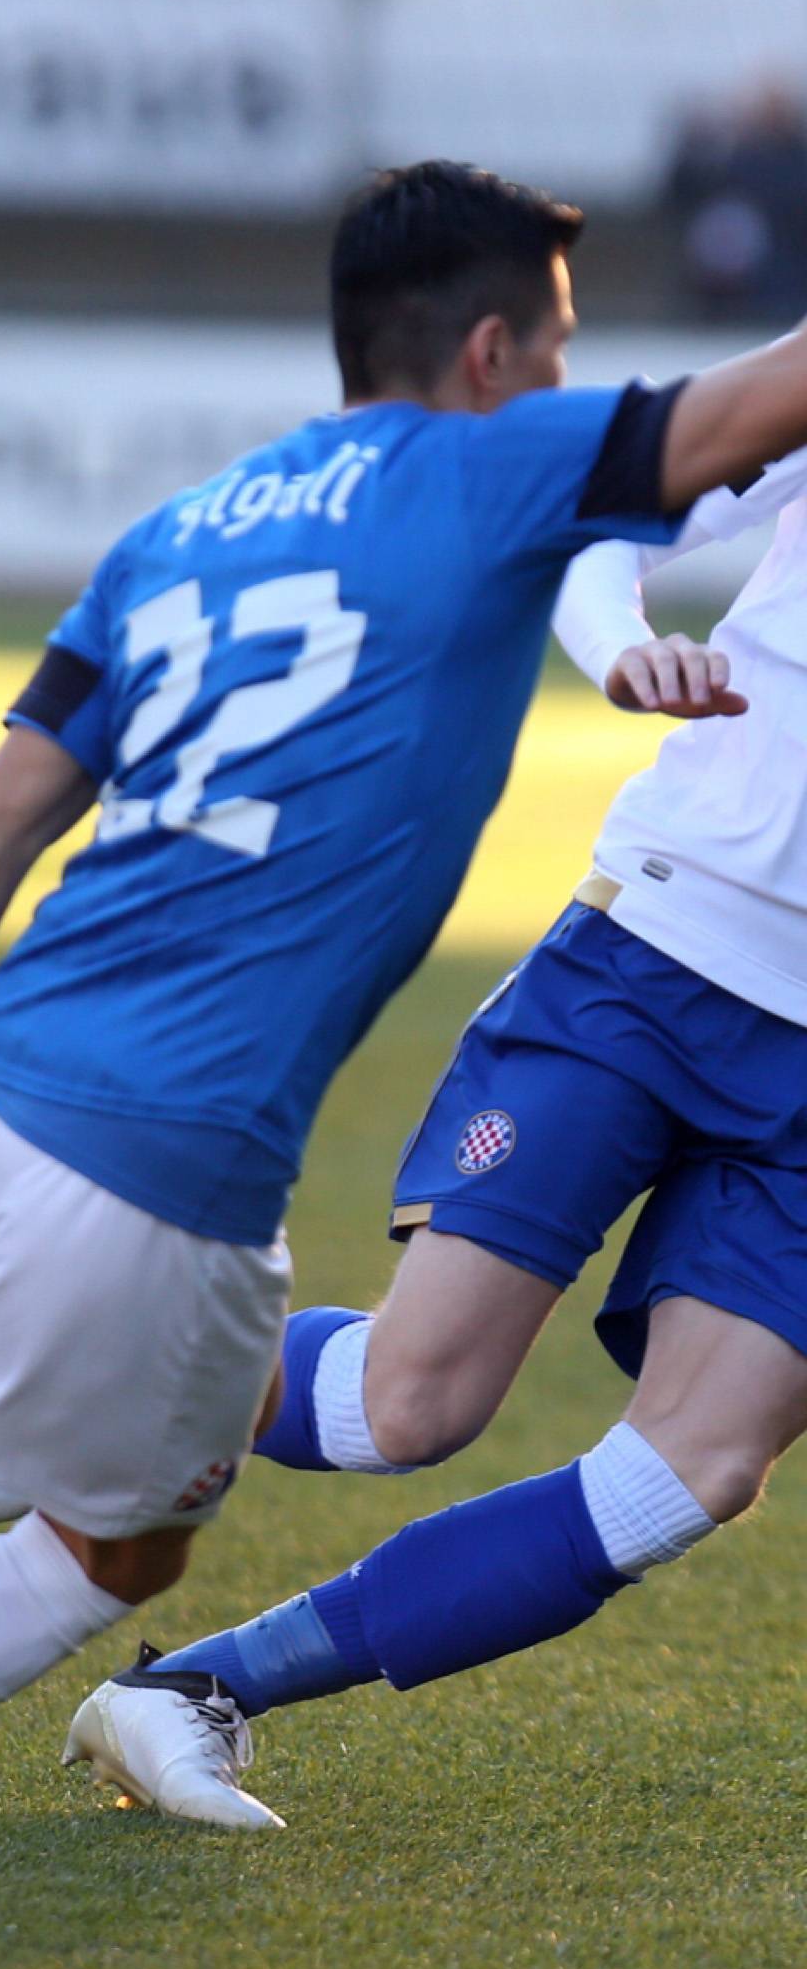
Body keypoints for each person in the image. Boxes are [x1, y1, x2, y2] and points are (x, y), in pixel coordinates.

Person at [0, 161, 807, 1936]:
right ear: (494, 355)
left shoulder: (193, 521)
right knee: (107, 1541)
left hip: (55, 1062)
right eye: (556, 351)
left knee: (125, 1427)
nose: (577, 384)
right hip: (213, 1104)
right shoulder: (499, 477)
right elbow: (739, 413)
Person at [83, 432, 807, 1823]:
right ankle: (55, 1364)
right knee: (406, 1403)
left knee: (693, 1473)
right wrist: (621, 646)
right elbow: (612, 522)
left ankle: (194, 1691)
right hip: (662, 951)